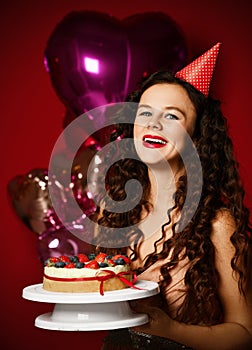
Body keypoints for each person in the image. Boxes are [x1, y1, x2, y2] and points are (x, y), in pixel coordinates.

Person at [96, 43, 252, 349]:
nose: (154, 123)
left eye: (172, 116)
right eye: (145, 113)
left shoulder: (217, 225)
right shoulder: (112, 212)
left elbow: (245, 334)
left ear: (196, 135)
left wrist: (171, 329)